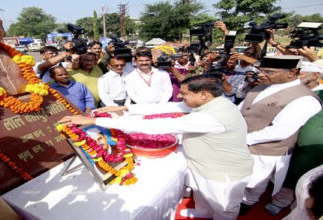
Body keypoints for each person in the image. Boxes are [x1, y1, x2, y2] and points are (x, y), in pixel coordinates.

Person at [60, 75, 254, 220]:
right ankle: (203, 212)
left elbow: (152, 126)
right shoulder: (210, 102)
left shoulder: (211, 116)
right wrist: (123, 108)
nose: (179, 95)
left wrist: (92, 120)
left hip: (223, 172)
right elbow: (167, 107)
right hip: (205, 164)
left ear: (203, 94)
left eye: (184, 93)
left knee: (223, 206)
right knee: (202, 195)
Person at [238, 56, 322, 215]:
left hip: (265, 152)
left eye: (269, 71)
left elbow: (280, 131)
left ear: (292, 72)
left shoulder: (305, 99)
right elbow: (240, 111)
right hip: (238, 145)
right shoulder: (261, 87)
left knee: (252, 186)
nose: (261, 74)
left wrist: (240, 139)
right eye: (261, 70)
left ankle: (243, 208)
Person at [264, 61, 323, 215]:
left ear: (315, 75)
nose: (298, 77)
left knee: (299, 173)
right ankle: (278, 199)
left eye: (301, 74)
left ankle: (292, 204)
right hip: (283, 139)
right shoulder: (290, 90)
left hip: (310, 146)